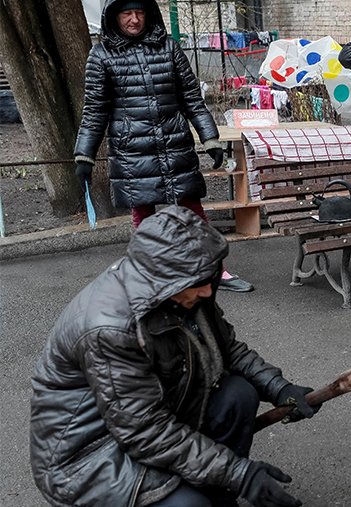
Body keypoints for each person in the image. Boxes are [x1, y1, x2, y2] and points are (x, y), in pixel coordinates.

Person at [31, 205, 317, 507]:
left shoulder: (185, 283)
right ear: (164, 282)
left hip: (143, 419)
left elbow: (227, 348)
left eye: (209, 277)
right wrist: (238, 473)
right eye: (199, 283)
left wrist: (279, 388)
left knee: (237, 394)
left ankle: (217, 494)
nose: (208, 291)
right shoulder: (111, 328)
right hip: (90, 457)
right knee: (188, 505)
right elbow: (145, 431)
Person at [73, 0, 252, 292]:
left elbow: (192, 98)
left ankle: (214, 271)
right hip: (132, 150)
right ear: (113, 17)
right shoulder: (101, 55)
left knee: (193, 211)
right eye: (127, 13)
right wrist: (85, 155)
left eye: (139, 12)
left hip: (174, 143)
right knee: (144, 217)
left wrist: (210, 138)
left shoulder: (168, 48)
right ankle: (150, 277)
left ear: (149, 14)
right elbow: (95, 111)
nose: (134, 20)